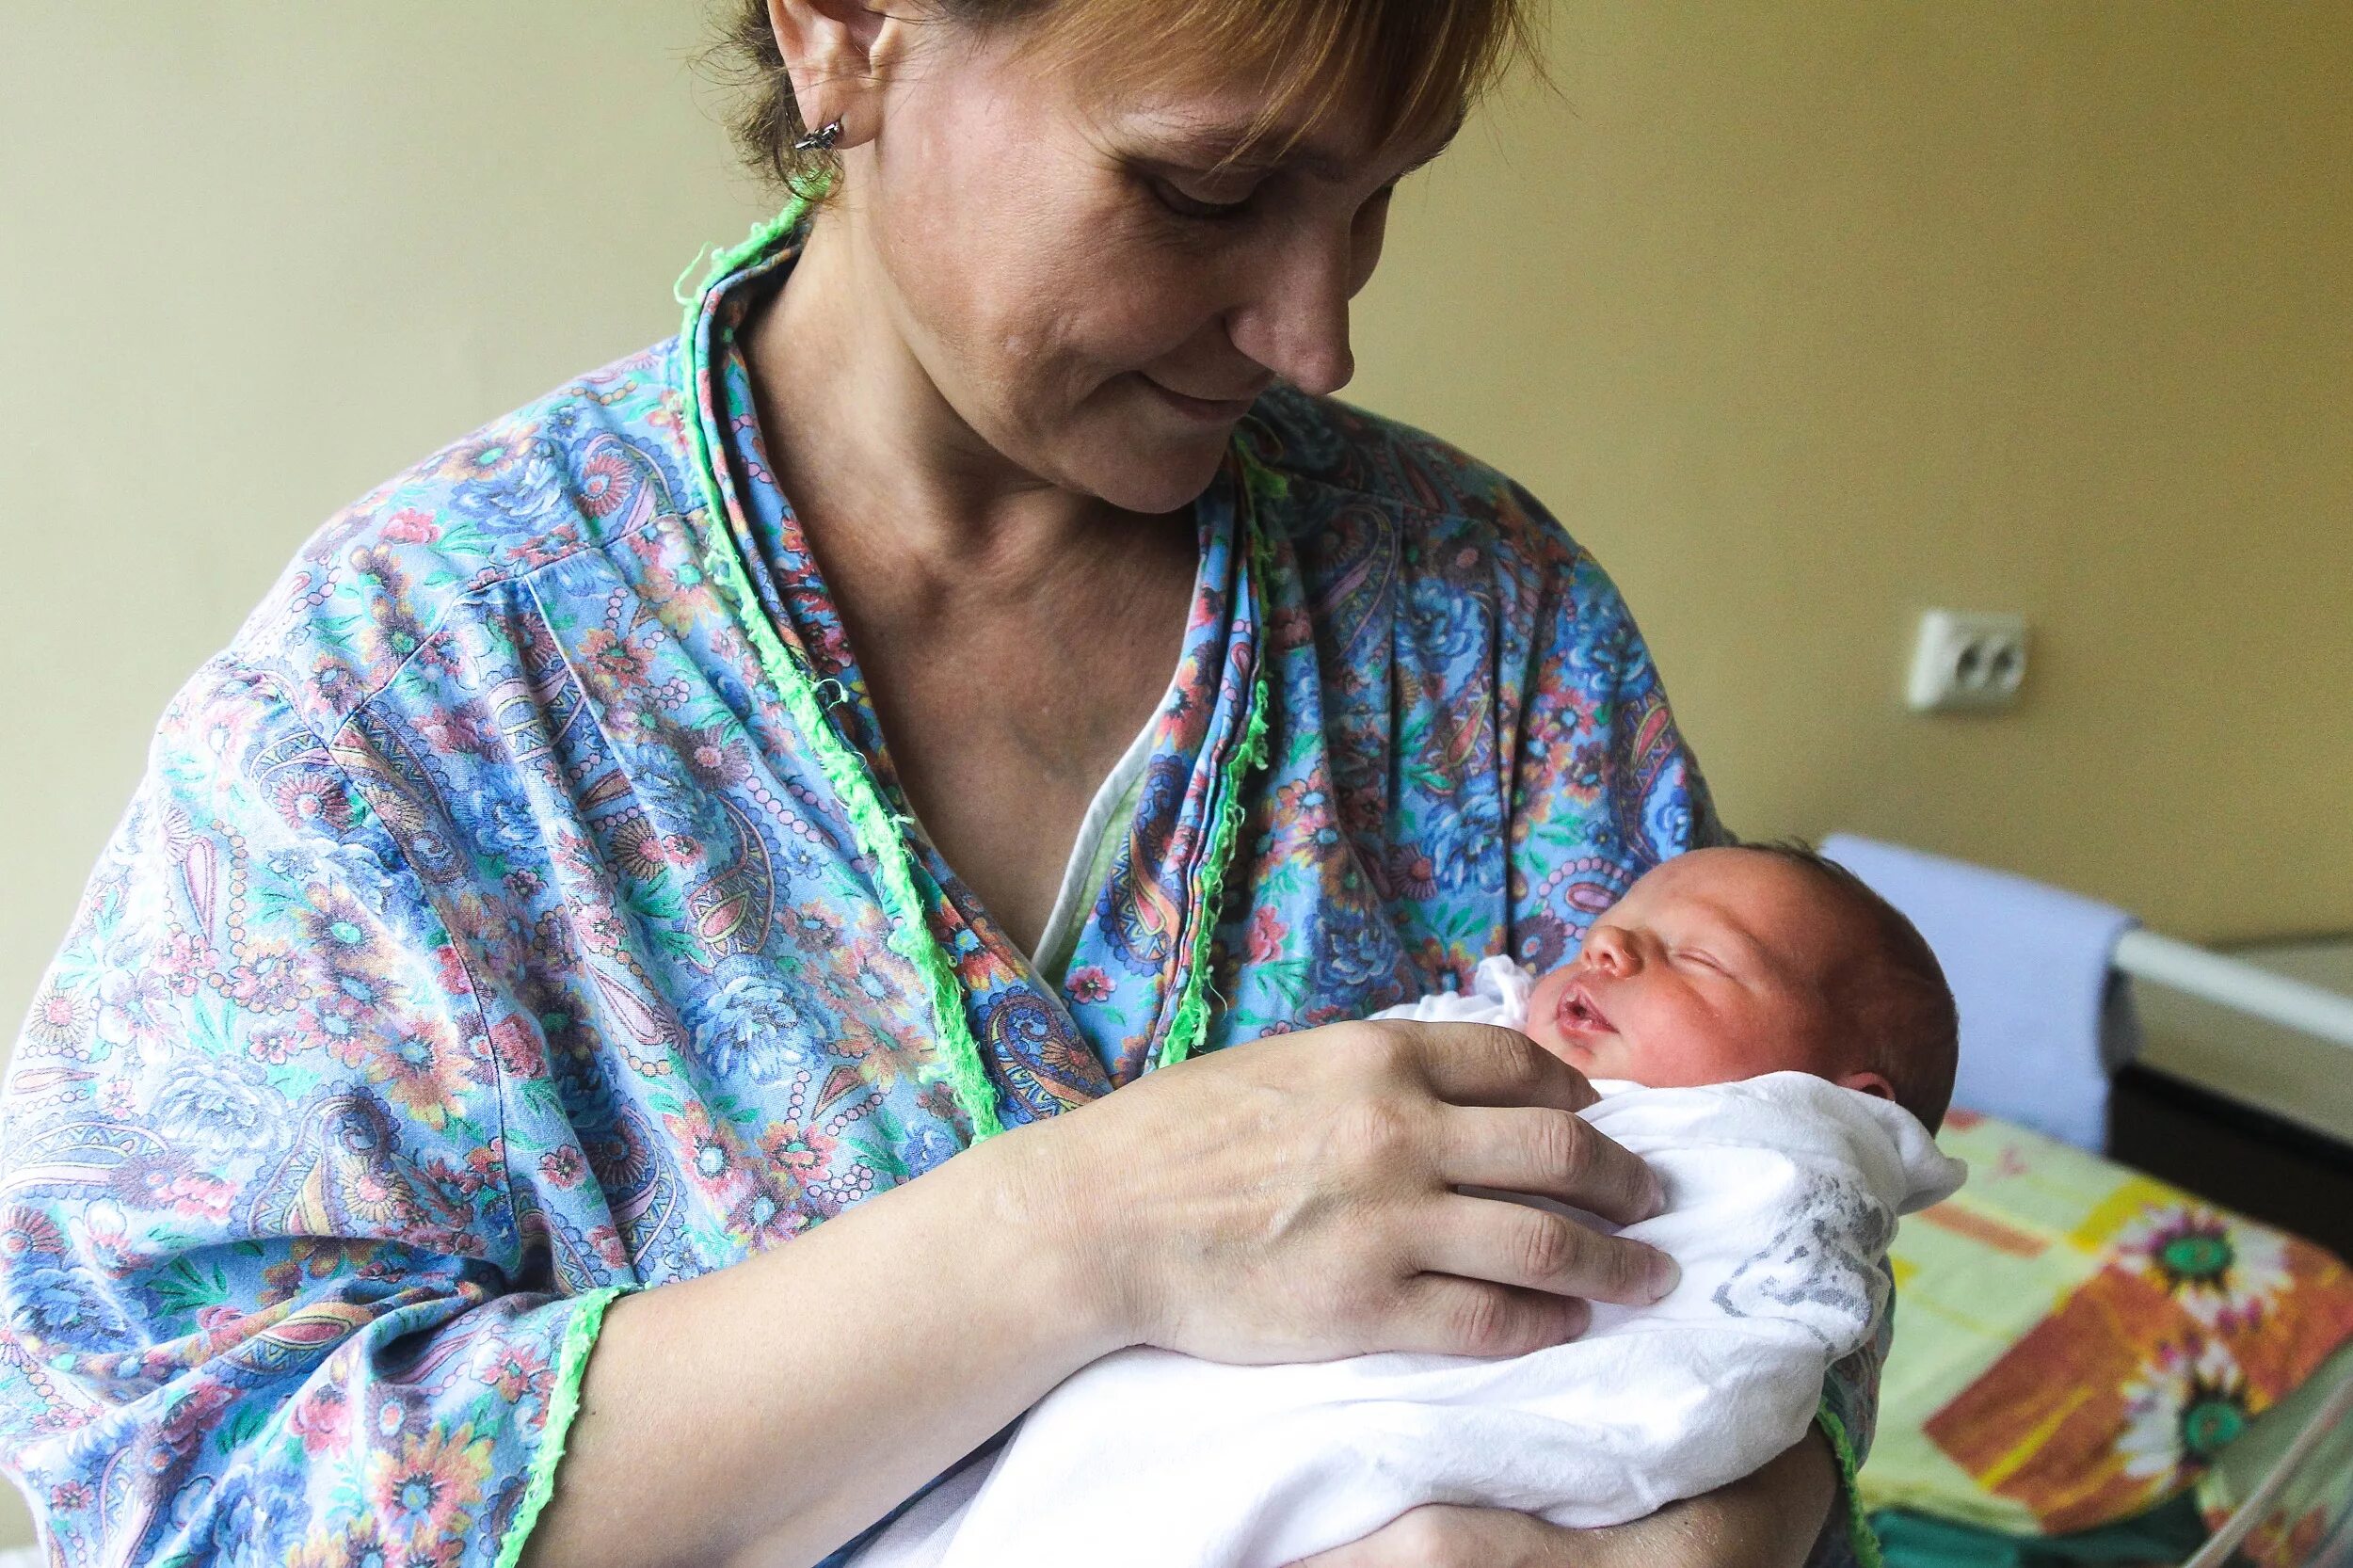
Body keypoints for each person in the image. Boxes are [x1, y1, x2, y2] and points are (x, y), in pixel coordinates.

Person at [0, 3, 1877, 1564]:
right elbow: (180, 1475)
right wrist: (1082, 1228)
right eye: (1201, 191)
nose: (1313, 333)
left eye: (1372, 203)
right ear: (845, 30)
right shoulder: (414, 698)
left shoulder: (1474, 614)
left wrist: (1740, 1509)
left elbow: (1775, 1184)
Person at [848, 843, 1964, 1568]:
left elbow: (1784, 1340)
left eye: (1699, 957)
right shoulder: (1471, 1042)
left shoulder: (1774, 1165)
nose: (1610, 945)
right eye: (1605, 930)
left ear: (1841, 1101)